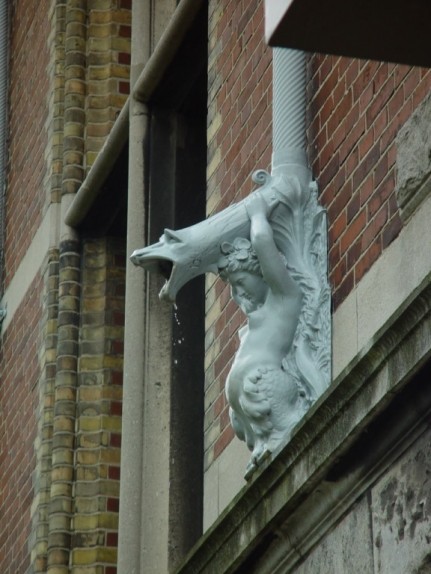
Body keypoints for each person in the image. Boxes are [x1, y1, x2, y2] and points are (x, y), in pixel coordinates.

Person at [218, 191, 305, 475]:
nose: (238, 293)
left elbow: (263, 244)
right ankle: (261, 446)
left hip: (272, 392)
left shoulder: (283, 299)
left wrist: (256, 214)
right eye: (234, 288)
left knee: (263, 385)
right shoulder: (252, 323)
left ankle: (279, 435)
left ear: (260, 274)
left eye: (242, 282)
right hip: (250, 414)